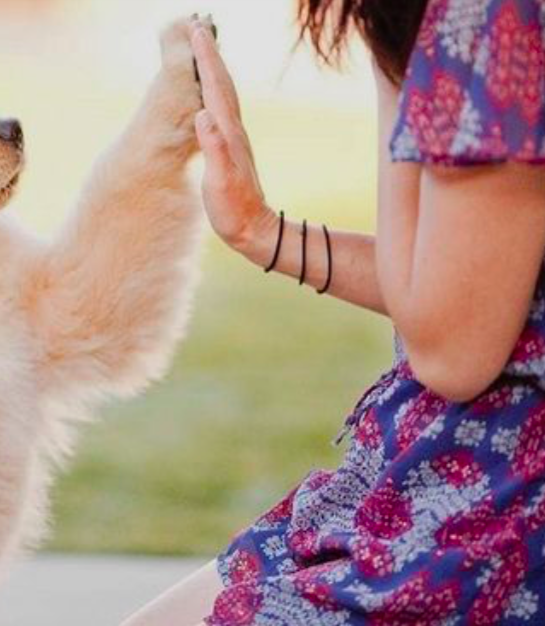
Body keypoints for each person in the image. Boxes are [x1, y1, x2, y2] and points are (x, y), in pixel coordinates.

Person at [122, 1, 545, 624]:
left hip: (488, 528)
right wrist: (261, 232)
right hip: (420, 487)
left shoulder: (487, 16)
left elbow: (453, 353)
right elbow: (468, 287)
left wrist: (391, 54)